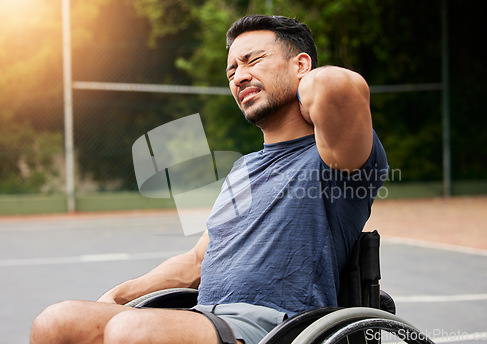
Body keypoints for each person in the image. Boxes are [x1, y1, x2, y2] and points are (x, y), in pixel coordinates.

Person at [30, 14, 388, 344]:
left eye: (253, 60)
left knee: (133, 329)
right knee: (56, 321)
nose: (238, 76)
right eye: (231, 70)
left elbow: (338, 86)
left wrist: (305, 86)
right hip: (206, 318)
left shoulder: (337, 157)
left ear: (301, 66)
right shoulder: (243, 169)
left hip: (280, 325)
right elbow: (197, 262)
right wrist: (120, 295)